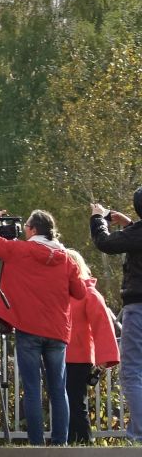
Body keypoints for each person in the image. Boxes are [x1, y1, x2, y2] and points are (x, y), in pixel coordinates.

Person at [0, 208, 86, 445]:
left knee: (32, 388)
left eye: (27, 226)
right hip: (58, 332)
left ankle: (36, 444)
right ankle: (60, 443)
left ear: (33, 229)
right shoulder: (67, 259)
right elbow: (79, 293)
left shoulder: (19, 250)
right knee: (59, 389)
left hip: (28, 329)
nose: (25, 229)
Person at [89, 190, 142, 443]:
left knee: (132, 372)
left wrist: (98, 218)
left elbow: (105, 243)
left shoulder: (137, 234)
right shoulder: (136, 232)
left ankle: (139, 435)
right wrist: (129, 224)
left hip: (138, 307)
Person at [63, 250, 120, 443]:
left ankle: (83, 441)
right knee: (66, 402)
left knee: (76, 403)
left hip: (79, 358)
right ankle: (71, 440)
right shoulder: (63, 292)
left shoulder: (88, 294)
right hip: (60, 356)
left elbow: (102, 325)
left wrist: (106, 358)